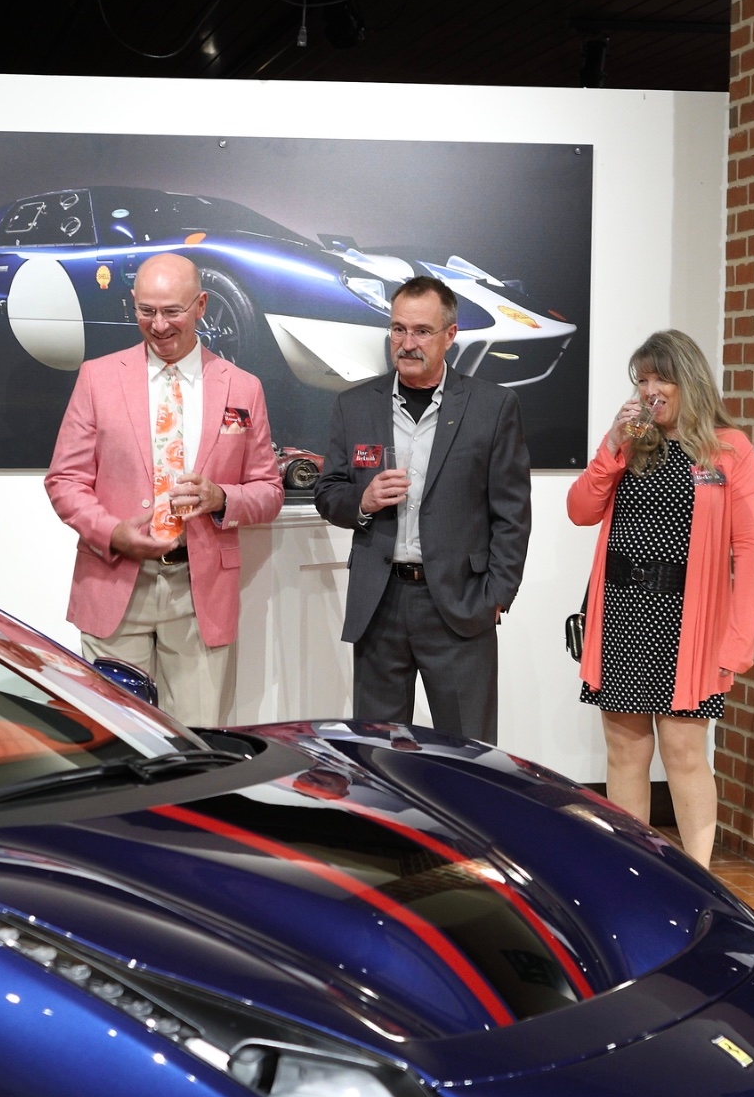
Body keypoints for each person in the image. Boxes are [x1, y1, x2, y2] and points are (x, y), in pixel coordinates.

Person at [44, 253, 284, 727]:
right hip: (114, 584)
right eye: (145, 310)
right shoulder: (97, 376)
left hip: (199, 594)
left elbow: (269, 490)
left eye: (172, 311)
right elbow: (64, 480)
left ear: (201, 305)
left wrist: (222, 499)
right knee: (115, 739)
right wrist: (113, 532)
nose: (158, 325)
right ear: (132, 303)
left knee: (196, 742)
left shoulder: (243, 387)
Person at [568, 330, 754, 865]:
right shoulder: (631, 442)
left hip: (689, 621)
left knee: (683, 753)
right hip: (624, 612)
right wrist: (610, 446)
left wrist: (739, 639)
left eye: (661, 378)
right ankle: (633, 872)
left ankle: (698, 876)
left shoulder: (728, 449)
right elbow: (580, 510)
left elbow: (748, 551)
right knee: (626, 752)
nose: (650, 389)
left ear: (688, 382)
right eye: (643, 379)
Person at [313, 276, 531, 741]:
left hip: (458, 604)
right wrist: (363, 501)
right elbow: (328, 492)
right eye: (397, 330)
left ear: (450, 336)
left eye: (421, 331)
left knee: (468, 754)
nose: (406, 344)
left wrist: (495, 596)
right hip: (380, 603)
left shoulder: (492, 407)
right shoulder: (354, 405)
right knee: (377, 753)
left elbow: (512, 513)